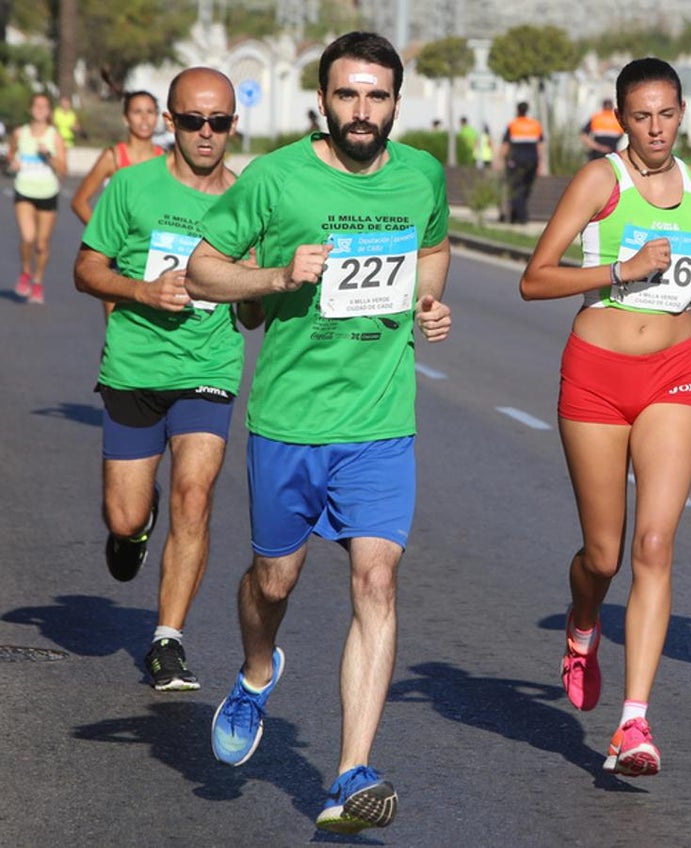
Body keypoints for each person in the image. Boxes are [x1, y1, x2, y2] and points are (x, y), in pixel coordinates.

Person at [185, 31, 451, 834]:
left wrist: (427, 304)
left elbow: (431, 249)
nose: (361, 111)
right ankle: (256, 673)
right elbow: (202, 269)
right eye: (347, 95)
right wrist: (274, 275)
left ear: (396, 103)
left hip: (378, 423)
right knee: (275, 581)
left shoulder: (422, 176)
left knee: (376, 580)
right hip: (290, 421)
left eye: (376, 96)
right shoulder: (276, 178)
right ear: (324, 101)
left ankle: (350, 773)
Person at [520, 57, 691, 777]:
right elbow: (535, 279)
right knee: (606, 555)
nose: (655, 129)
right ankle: (583, 623)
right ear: (620, 118)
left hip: (673, 373)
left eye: (667, 114)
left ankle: (634, 725)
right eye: (641, 116)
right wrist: (621, 270)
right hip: (596, 375)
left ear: (684, 113)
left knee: (655, 545)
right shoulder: (598, 181)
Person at [72, 67, 258, 693]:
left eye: (221, 121)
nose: (208, 134)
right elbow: (87, 268)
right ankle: (134, 529)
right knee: (124, 517)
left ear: (234, 123)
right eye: (194, 120)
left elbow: (255, 314)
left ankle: (167, 640)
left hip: (208, 368)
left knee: (195, 496)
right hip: (133, 366)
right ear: (171, 122)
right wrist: (141, 291)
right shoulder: (130, 186)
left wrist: (256, 279)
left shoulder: (248, 199)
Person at [71, 91, 165, 226]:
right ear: (126, 119)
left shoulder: (166, 159)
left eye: (150, 112)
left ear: (157, 117)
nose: (144, 118)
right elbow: (79, 202)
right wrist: (103, 237)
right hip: (117, 244)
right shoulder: (113, 157)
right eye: (137, 112)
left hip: (150, 243)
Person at [8, 92, 67, 304]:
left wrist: (48, 156)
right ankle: (25, 271)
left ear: (49, 111)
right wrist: (12, 163)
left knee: (41, 244)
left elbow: (63, 169)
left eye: (44, 106)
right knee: (28, 237)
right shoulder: (19, 133)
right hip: (24, 190)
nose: (40, 110)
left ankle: (38, 281)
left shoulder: (54, 136)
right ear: (30, 109)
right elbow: (10, 155)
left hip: (47, 193)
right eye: (37, 106)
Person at [499, 100, 545, 224]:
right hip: (532, 161)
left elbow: (505, 145)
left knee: (515, 188)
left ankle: (521, 216)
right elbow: (540, 146)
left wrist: (499, 160)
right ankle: (518, 215)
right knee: (526, 188)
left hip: (516, 161)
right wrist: (541, 164)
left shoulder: (513, 125)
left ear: (517, 110)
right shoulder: (535, 125)